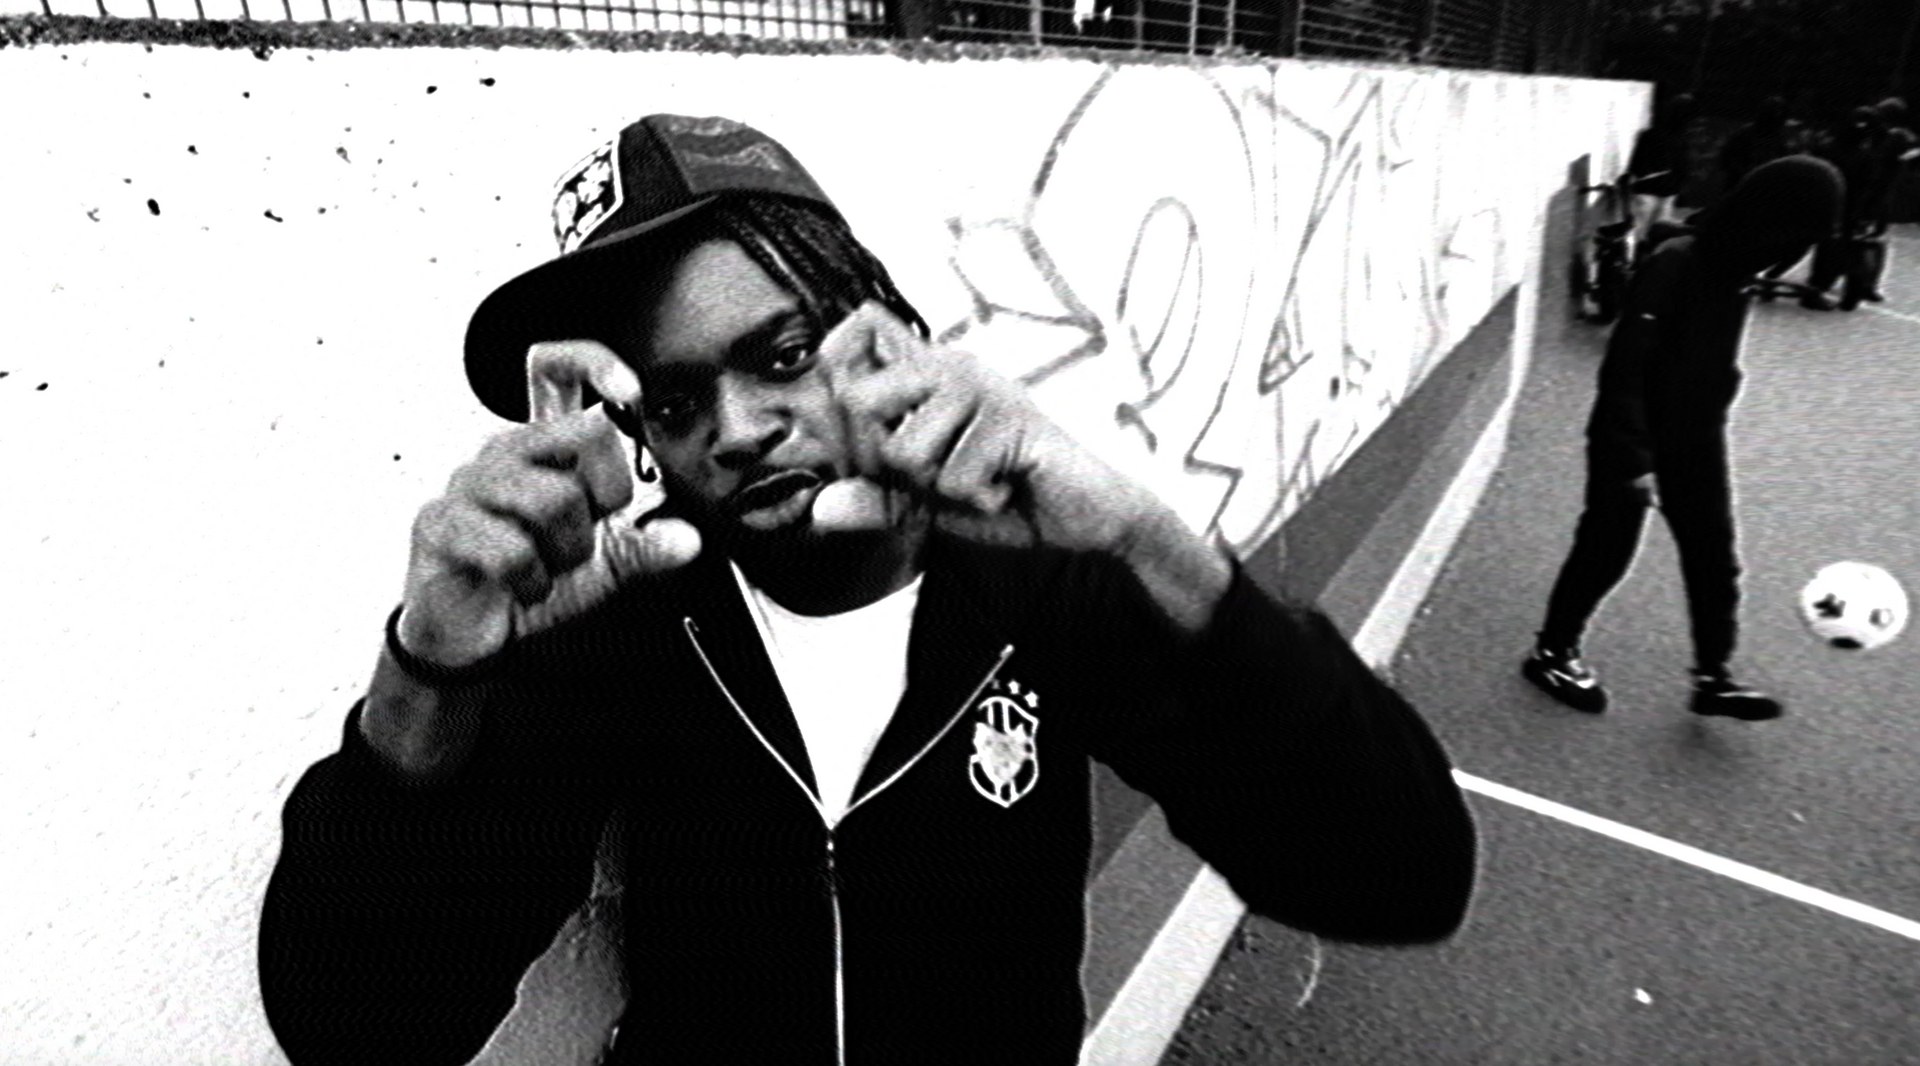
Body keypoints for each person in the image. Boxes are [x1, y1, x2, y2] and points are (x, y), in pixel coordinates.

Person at [258, 114, 1479, 1066]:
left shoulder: (1041, 580)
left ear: (884, 333)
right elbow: (360, 1026)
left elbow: (1401, 875)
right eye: (672, 400)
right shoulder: (620, 624)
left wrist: (1153, 545)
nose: (738, 427)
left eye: (783, 356)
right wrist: (431, 666)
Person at [1523, 155, 1842, 722]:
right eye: (1796, 234)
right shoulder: (1677, 262)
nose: (1794, 252)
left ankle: (1713, 676)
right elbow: (1625, 368)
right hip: (1632, 434)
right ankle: (1552, 651)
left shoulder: (1736, 271)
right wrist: (1633, 457)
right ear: (1766, 218)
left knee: (1713, 555)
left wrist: (1717, 400)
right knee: (1606, 548)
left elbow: (1707, 359)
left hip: (1696, 436)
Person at [1627, 92, 1696, 252]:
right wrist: (1679, 187)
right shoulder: (1681, 139)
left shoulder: (1650, 134)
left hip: (1648, 190)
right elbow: (1683, 167)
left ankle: (1636, 261)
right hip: (1665, 191)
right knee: (1657, 234)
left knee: (1639, 233)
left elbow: (1636, 165)